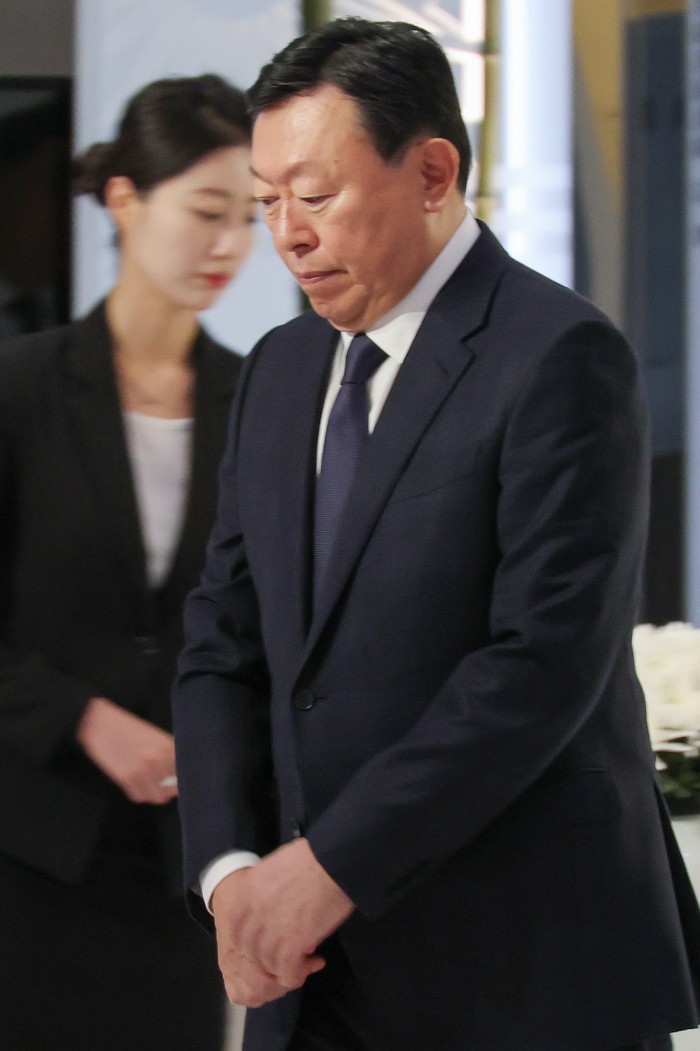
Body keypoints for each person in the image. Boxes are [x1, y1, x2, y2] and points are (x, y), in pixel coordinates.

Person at [172, 19, 700, 1051]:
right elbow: (221, 641)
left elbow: (539, 664)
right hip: (314, 980)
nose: (288, 235)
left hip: (522, 973)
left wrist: (329, 867)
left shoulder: (560, 354)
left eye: (316, 196)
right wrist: (232, 872)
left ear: (430, 173)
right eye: (267, 200)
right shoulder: (279, 369)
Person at [0, 73, 256, 1050]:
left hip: (178, 866)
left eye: (250, 217)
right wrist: (84, 716)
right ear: (124, 198)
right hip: (26, 845)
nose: (230, 245)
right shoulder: (20, 390)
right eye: (206, 211)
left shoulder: (260, 402)